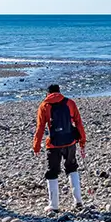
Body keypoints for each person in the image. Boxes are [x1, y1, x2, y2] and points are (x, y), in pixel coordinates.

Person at [33, 84, 86, 213]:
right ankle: (78, 201)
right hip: (70, 142)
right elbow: (78, 122)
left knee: (52, 172)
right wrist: (82, 142)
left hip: (53, 144)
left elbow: (40, 128)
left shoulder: (44, 106)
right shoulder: (70, 103)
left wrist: (36, 146)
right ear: (59, 91)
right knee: (72, 168)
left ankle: (54, 205)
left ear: (47, 93)